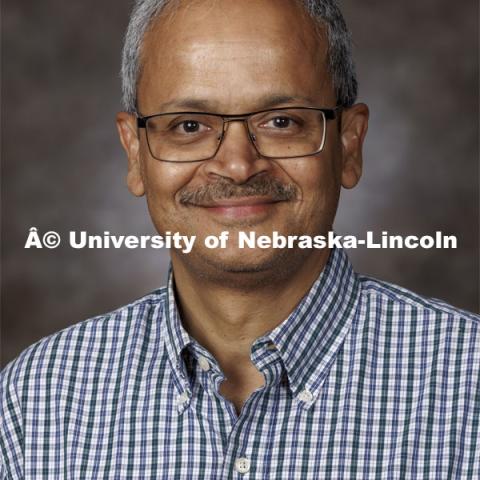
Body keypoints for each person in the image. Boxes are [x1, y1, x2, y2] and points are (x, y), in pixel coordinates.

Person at [1, 0, 478, 478]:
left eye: (281, 121)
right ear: (134, 153)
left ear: (349, 145)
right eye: (189, 126)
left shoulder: (468, 384)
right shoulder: (38, 400)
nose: (236, 165)